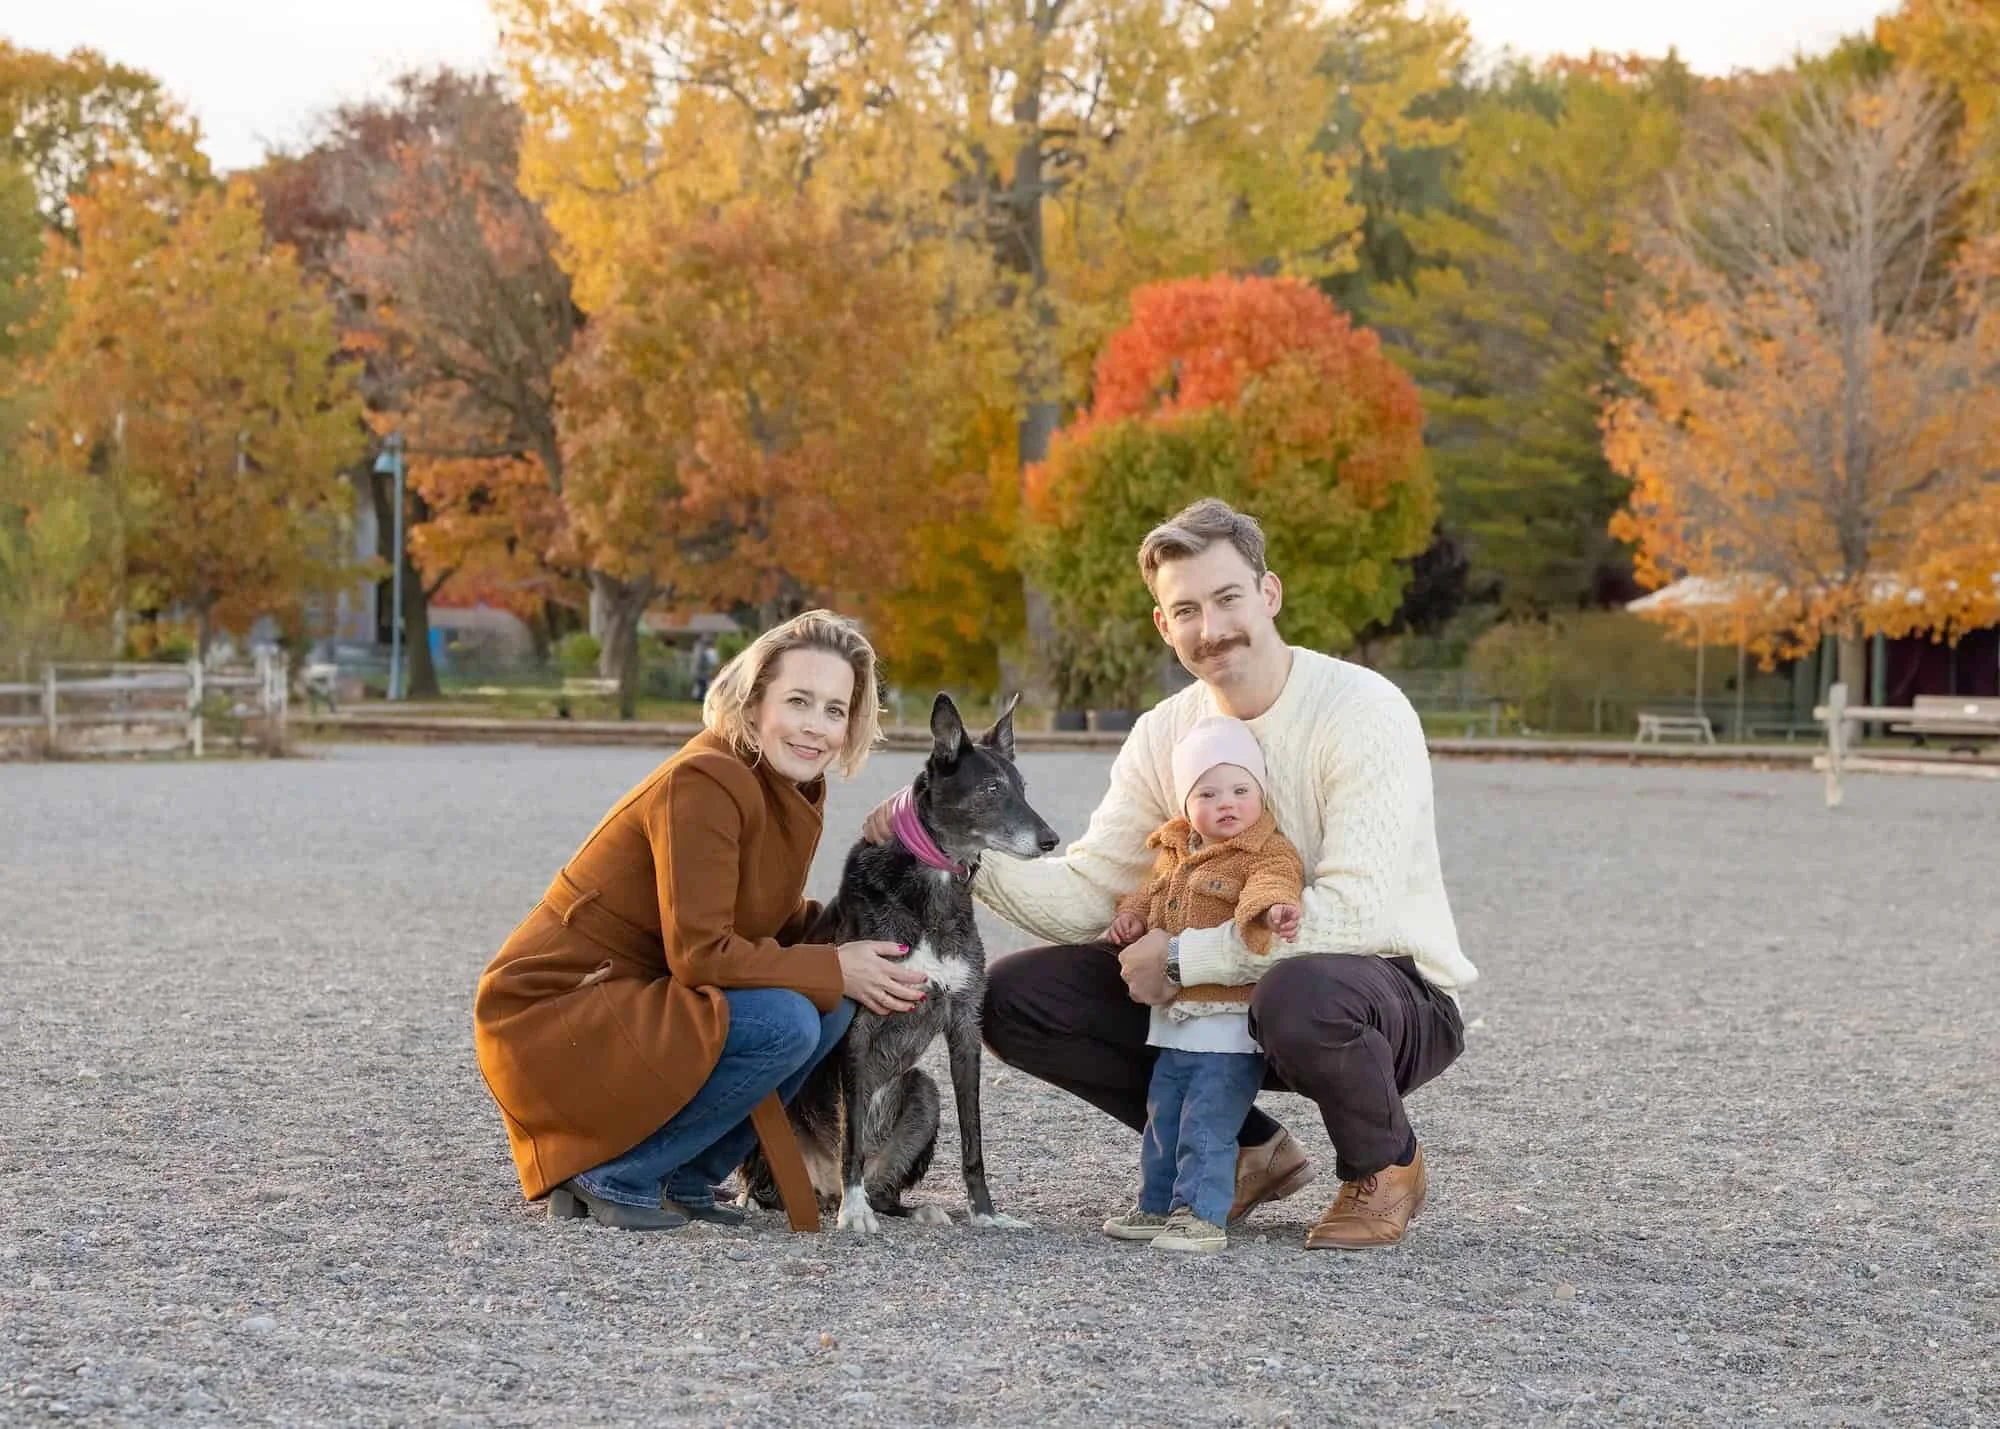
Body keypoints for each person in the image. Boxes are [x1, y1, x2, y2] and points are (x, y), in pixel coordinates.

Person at [865, 498, 1478, 1249]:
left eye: (1228, 598)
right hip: (1216, 1003)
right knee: (1019, 997)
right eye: (1185, 608)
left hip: (1380, 994)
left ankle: (1386, 1164)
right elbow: (1090, 889)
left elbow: (1359, 913)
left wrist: (1185, 957)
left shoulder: (1362, 710)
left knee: (1301, 989)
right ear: (1164, 624)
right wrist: (944, 842)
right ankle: (1240, 1147)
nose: (1211, 627)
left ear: (1270, 593)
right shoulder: (1165, 732)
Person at [475, 610, 929, 1231]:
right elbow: (701, 954)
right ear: (753, 704)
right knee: (792, 1017)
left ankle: (684, 1174)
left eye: (834, 710)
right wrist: (831, 965)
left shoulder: (788, 785)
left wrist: (877, 921)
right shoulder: (706, 779)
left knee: (834, 1001)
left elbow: (767, 917)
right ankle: (611, 1172)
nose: (815, 727)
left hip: (632, 1002)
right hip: (553, 1017)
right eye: (798, 701)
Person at [1099, 715, 1305, 1254]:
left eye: (1241, 790)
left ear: (1259, 793)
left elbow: (1273, 881)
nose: (1227, 803)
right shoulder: (1174, 851)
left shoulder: (1266, 851)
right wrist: (1130, 918)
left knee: (1208, 1122)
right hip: (1175, 1020)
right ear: (1187, 802)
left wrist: (1275, 909)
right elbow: (1150, 894)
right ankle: (1157, 1204)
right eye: (1208, 792)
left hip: (1228, 1023)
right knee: (1164, 1115)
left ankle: (1202, 1214)